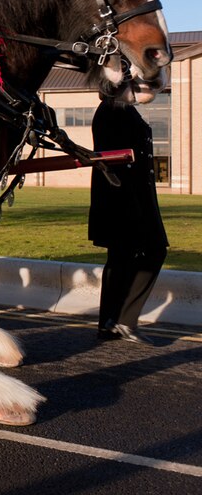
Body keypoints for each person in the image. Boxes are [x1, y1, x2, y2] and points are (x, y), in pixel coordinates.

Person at [89, 92, 168, 345]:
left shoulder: (120, 108)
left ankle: (110, 323)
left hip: (133, 197)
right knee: (153, 251)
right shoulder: (113, 109)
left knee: (120, 257)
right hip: (125, 198)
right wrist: (131, 204)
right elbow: (115, 161)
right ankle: (123, 320)